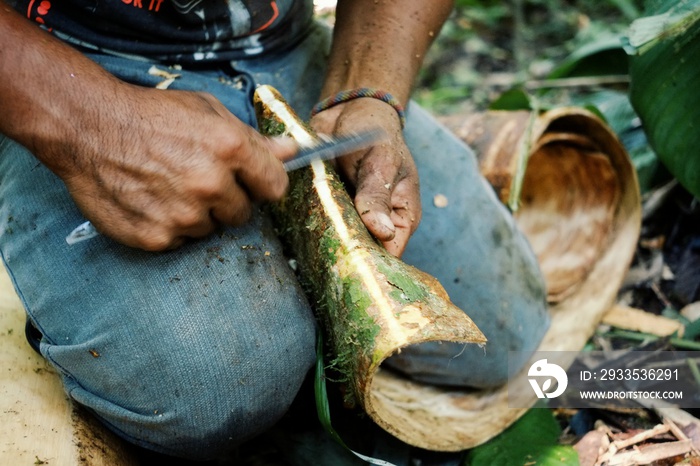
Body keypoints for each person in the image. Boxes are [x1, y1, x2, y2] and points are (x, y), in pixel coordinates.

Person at [0, 0, 549, 461]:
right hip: (59, 62)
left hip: (280, 43)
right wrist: (90, 124)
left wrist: (368, 92)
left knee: (503, 333)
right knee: (211, 387)